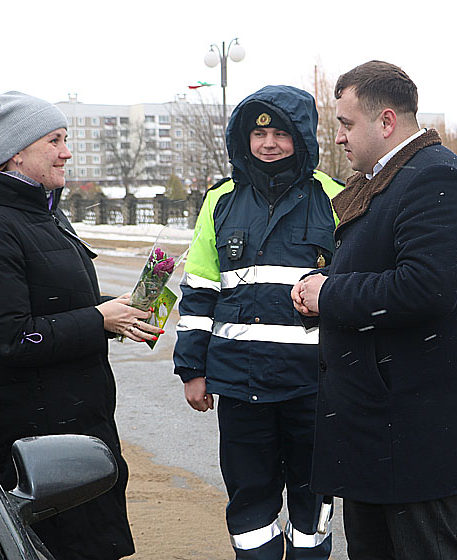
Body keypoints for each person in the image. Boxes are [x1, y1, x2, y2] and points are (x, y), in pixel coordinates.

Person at [292, 61, 457, 559]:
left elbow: (426, 288)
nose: (338, 138)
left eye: (346, 124)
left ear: (386, 122)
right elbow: (375, 273)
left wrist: (330, 295)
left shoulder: (436, 178)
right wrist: (319, 296)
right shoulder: (387, 180)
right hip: (377, 427)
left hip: (416, 433)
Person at [0, 91, 161, 560]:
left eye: (66, 139)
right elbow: (9, 337)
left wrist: (116, 310)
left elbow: (57, 303)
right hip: (36, 441)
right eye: (55, 140)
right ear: (17, 152)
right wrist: (97, 319)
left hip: (77, 426)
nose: (67, 151)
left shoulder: (47, 215)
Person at [173, 85, 344, 560]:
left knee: (313, 501)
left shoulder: (334, 198)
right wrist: (193, 370)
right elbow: (200, 289)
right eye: (258, 132)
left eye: (281, 133)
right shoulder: (221, 201)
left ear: (302, 137)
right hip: (240, 384)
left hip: (312, 386)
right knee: (250, 500)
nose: (268, 143)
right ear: (243, 138)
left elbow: (352, 284)